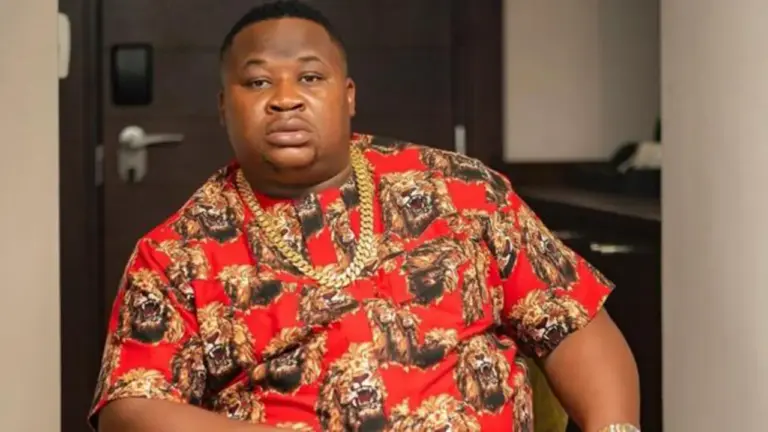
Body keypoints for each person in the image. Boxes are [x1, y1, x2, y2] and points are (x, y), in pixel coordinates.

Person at [89, 1, 641, 431]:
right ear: (222, 106)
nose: (285, 99)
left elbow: (574, 322)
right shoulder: (176, 253)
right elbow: (131, 409)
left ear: (348, 96)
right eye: (258, 82)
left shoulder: (461, 190)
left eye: (310, 77)